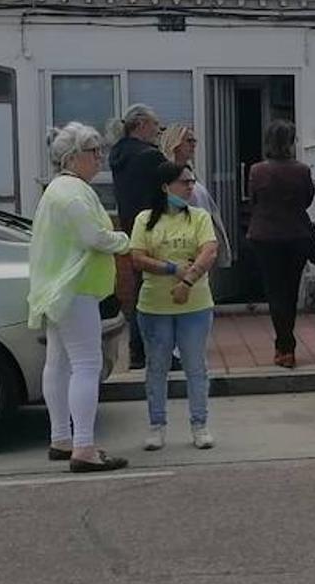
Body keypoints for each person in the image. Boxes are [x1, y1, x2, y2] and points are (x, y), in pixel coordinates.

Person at [27, 122, 131, 473]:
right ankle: (84, 447)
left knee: (57, 364)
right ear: (73, 158)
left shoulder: (55, 191)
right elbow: (94, 237)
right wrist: (124, 241)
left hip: (56, 289)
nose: (99, 157)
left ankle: (61, 438)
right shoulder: (74, 192)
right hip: (77, 288)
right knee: (86, 365)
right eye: (93, 151)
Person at [129, 161, 219, 451]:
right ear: (166, 187)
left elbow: (209, 251)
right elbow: (137, 257)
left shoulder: (199, 217)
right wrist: (171, 269)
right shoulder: (145, 220)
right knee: (157, 367)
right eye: (184, 182)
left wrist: (188, 281)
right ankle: (157, 425)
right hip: (154, 306)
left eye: (192, 182)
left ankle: (200, 424)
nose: (190, 187)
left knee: (196, 366)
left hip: (195, 304)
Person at [247, 120, 315, 368]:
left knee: (275, 291)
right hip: (296, 235)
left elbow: (253, 200)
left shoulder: (257, 170)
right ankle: (287, 346)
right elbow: (307, 200)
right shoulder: (302, 170)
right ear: (290, 142)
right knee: (290, 292)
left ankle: (284, 347)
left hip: (265, 236)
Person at [108, 103, 166, 370]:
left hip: (132, 228)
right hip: (155, 230)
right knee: (155, 292)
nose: (158, 129)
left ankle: (137, 351)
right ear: (141, 124)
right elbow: (171, 189)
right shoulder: (150, 157)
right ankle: (153, 351)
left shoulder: (118, 154)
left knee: (140, 290)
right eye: (155, 124)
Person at [160, 124, 232, 270]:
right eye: (189, 141)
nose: (193, 145)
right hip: (183, 241)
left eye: (195, 141)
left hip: (202, 236)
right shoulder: (167, 173)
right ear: (176, 143)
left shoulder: (191, 172)